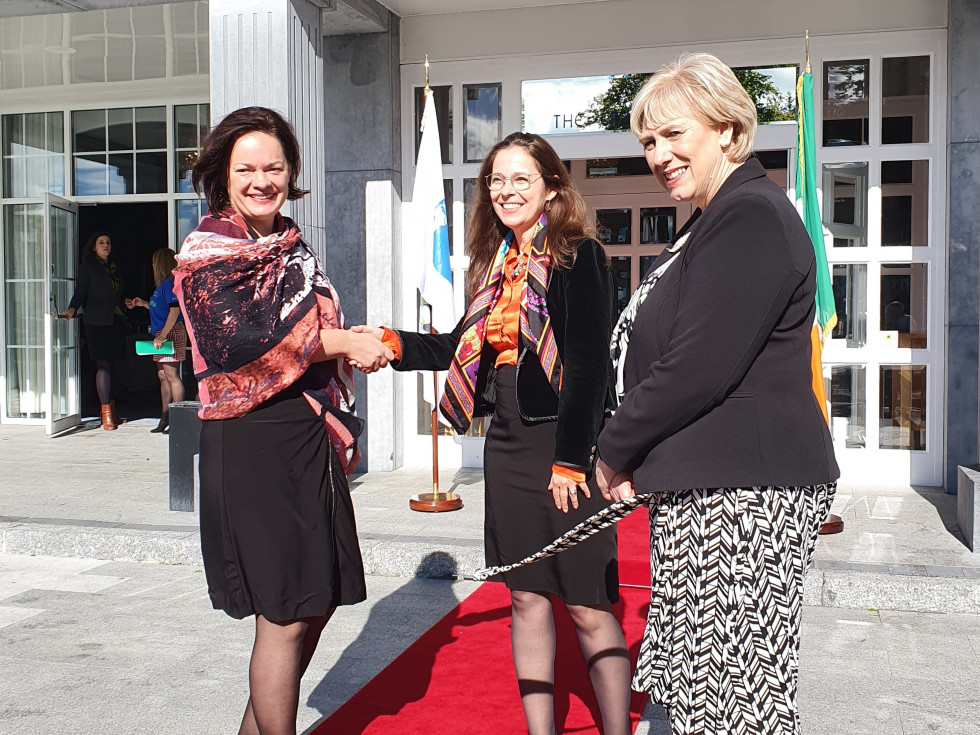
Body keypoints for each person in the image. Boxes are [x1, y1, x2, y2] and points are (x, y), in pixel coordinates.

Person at [595, 53, 839, 735]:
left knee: (735, 704)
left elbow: (697, 366)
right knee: (702, 697)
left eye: (674, 134)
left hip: (743, 499)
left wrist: (614, 449)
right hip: (712, 492)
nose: (658, 154)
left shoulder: (749, 216)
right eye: (647, 140)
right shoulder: (712, 216)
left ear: (729, 130)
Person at [357, 132, 631, 735]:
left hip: (566, 446)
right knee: (526, 594)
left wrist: (571, 461)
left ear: (552, 188)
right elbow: (463, 348)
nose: (505, 191)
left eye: (520, 179)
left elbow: (587, 365)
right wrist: (393, 344)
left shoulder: (577, 256)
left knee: (586, 602)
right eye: (496, 181)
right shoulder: (496, 264)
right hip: (507, 442)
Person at [173, 106, 392, 735]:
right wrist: (348, 343)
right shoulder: (208, 252)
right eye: (247, 168)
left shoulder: (290, 242)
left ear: (291, 172)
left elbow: (306, 328)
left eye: (274, 166)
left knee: (315, 601)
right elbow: (246, 341)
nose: (262, 179)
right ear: (224, 175)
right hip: (250, 441)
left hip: (303, 436)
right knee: (286, 611)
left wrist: (353, 340)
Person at [61, 231, 127, 430]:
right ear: (94, 247)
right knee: (103, 366)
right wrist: (71, 309)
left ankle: (113, 413)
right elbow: (80, 293)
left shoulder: (115, 268)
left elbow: (117, 294)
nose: (106, 245)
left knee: (114, 368)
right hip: (96, 322)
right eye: (101, 243)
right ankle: (105, 414)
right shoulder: (88, 267)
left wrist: (126, 301)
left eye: (108, 242)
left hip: (115, 320)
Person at [126, 248, 187, 433]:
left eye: (154, 262)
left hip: (170, 332)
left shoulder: (169, 283)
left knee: (172, 376)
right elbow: (159, 308)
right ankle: (165, 417)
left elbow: (175, 311)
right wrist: (143, 304)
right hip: (161, 332)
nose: (152, 265)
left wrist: (162, 335)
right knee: (162, 376)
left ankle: (180, 419)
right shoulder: (160, 285)